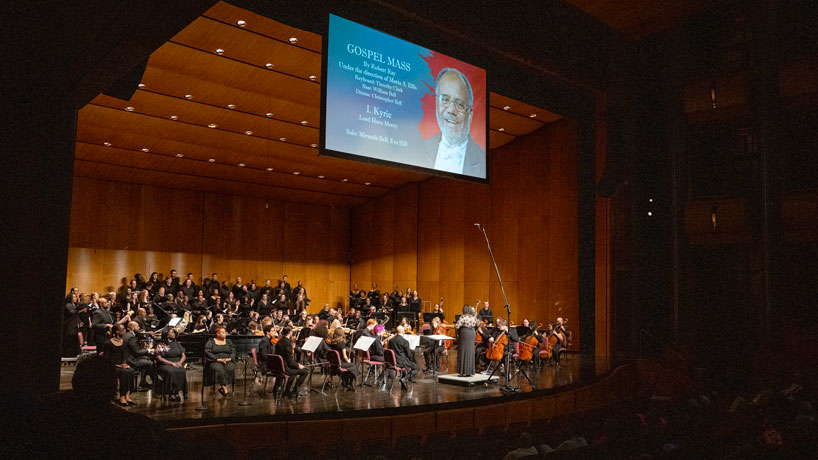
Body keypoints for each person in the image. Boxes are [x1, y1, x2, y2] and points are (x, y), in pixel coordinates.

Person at [423, 68, 485, 177]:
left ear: (470, 114)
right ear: (437, 104)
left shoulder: (483, 160)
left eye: (460, 104)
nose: (451, 110)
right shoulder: (420, 147)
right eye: (445, 100)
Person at [101, 324, 136, 406]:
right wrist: (119, 366)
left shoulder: (124, 343)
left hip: (121, 365)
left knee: (131, 370)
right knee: (124, 372)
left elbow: (125, 355)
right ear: (117, 331)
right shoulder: (108, 343)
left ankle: (127, 395)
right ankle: (122, 397)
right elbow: (106, 359)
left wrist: (124, 363)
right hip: (111, 366)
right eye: (122, 329)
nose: (124, 331)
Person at [275, 326, 308, 398]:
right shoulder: (287, 343)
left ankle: (287, 390)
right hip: (286, 368)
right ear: (290, 332)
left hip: (279, 366)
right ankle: (294, 391)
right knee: (305, 371)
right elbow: (290, 362)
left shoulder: (279, 342)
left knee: (294, 372)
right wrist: (298, 365)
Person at [155, 328, 187, 401]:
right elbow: (159, 358)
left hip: (177, 362)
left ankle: (177, 392)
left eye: (174, 333)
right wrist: (171, 363)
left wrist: (180, 362)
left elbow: (183, 355)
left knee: (181, 370)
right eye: (171, 332)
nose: (173, 334)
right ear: (167, 334)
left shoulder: (177, 344)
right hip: (165, 363)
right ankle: (170, 392)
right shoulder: (161, 345)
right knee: (171, 371)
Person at [123, 321, 156, 390]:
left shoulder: (129, 334)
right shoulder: (131, 337)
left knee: (147, 358)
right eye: (137, 326)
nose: (139, 328)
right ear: (132, 327)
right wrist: (149, 350)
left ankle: (143, 381)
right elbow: (137, 352)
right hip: (130, 360)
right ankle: (155, 383)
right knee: (150, 363)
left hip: (130, 356)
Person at [205, 325, 235, 396]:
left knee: (230, 367)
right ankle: (224, 387)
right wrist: (217, 359)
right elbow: (208, 352)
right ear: (217, 334)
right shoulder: (211, 342)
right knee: (218, 368)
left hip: (227, 360)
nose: (225, 334)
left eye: (225, 332)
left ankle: (223, 387)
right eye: (223, 332)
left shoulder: (228, 342)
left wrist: (229, 358)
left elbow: (233, 351)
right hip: (215, 360)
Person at [387, 325, 417, 390]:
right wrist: (410, 360)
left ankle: (404, 380)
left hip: (392, 362)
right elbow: (408, 354)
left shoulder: (391, 340)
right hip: (400, 362)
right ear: (403, 332)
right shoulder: (404, 341)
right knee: (415, 368)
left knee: (408, 364)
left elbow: (389, 350)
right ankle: (404, 378)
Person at [454, 305, 481, 376]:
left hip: (465, 333)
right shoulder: (473, 317)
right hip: (472, 333)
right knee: (470, 351)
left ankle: (463, 371)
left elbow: (457, 326)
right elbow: (478, 324)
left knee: (463, 351)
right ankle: (470, 372)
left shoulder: (463, 317)